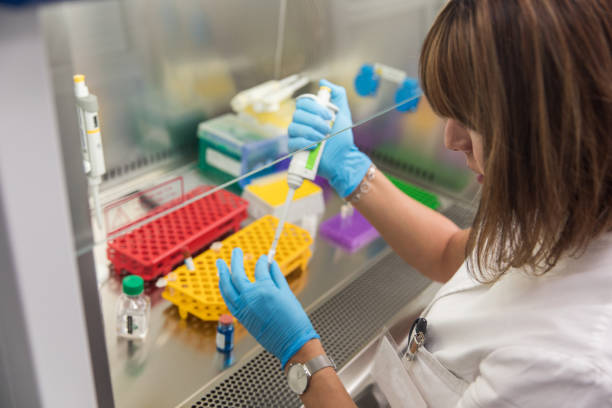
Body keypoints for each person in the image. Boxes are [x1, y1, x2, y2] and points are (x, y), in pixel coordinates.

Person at [216, 0, 612, 406]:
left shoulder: (568, 366)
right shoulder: (564, 209)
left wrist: (299, 353)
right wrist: (349, 168)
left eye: (471, 120)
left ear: (549, 130)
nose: (450, 141)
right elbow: (449, 252)